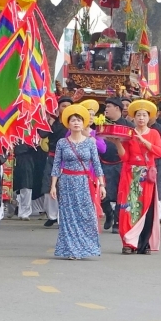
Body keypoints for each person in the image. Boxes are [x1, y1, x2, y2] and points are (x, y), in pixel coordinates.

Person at [50, 104, 104, 260]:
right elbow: (56, 164)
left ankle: (87, 247)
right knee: (68, 216)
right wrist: (53, 185)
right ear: (68, 123)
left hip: (84, 182)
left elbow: (96, 164)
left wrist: (101, 184)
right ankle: (71, 249)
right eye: (73, 120)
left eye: (79, 120)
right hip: (66, 182)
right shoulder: (62, 143)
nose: (76, 123)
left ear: (84, 123)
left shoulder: (90, 143)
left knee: (86, 215)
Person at [113, 100, 161, 254]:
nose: (141, 118)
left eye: (144, 115)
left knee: (146, 209)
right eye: (138, 115)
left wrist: (143, 141)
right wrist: (117, 143)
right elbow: (125, 157)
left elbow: (159, 152)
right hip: (131, 174)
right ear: (133, 118)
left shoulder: (154, 133)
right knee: (129, 208)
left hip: (147, 176)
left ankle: (144, 242)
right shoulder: (129, 134)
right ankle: (128, 242)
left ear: (149, 118)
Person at [42, 96, 74, 227]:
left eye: (68, 106)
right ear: (58, 108)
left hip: (68, 159)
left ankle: (63, 217)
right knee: (49, 186)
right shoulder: (53, 122)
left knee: (65, 188)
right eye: (63, 106)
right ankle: (52, 215)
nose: (66, 108)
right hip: (53, 157)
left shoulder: (74, 122)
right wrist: (50, 120)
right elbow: (42, 134)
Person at [99, 98, 129, 231]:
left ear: (117, 108)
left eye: (109, 106)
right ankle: (109, 214)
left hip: (121, 163)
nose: (106, 109)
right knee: (101, 192)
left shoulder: (128, 125)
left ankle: (117, 220)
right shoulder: (100, 124)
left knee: (120, 193)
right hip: (103, 162)